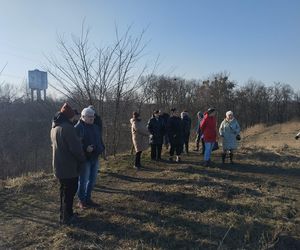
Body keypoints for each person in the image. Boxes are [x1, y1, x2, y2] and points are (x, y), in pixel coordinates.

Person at [50, 103, 85, 225]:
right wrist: (82, 159)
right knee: (69, 192)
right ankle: (66, 218)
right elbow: (75, 149)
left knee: (63, 192)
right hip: (68, 166)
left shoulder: (55, 127)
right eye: (73, 116)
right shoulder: (68, 128)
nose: (75, 118)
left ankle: (66, 214)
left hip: (58, 165)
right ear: (70, 116)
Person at [75, 107, 105, 209]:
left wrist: (101, 148)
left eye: (93, 117)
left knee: (92, 180)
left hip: (95, 157)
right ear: (83, 117)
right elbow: (75, 145)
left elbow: (99, 140)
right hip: (84, 159)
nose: (92, 119)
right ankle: (81, 201)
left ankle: (88, 199)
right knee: (83, 181)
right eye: (89, 117)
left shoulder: (95, 127)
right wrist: (85, 149)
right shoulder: (78, 128)